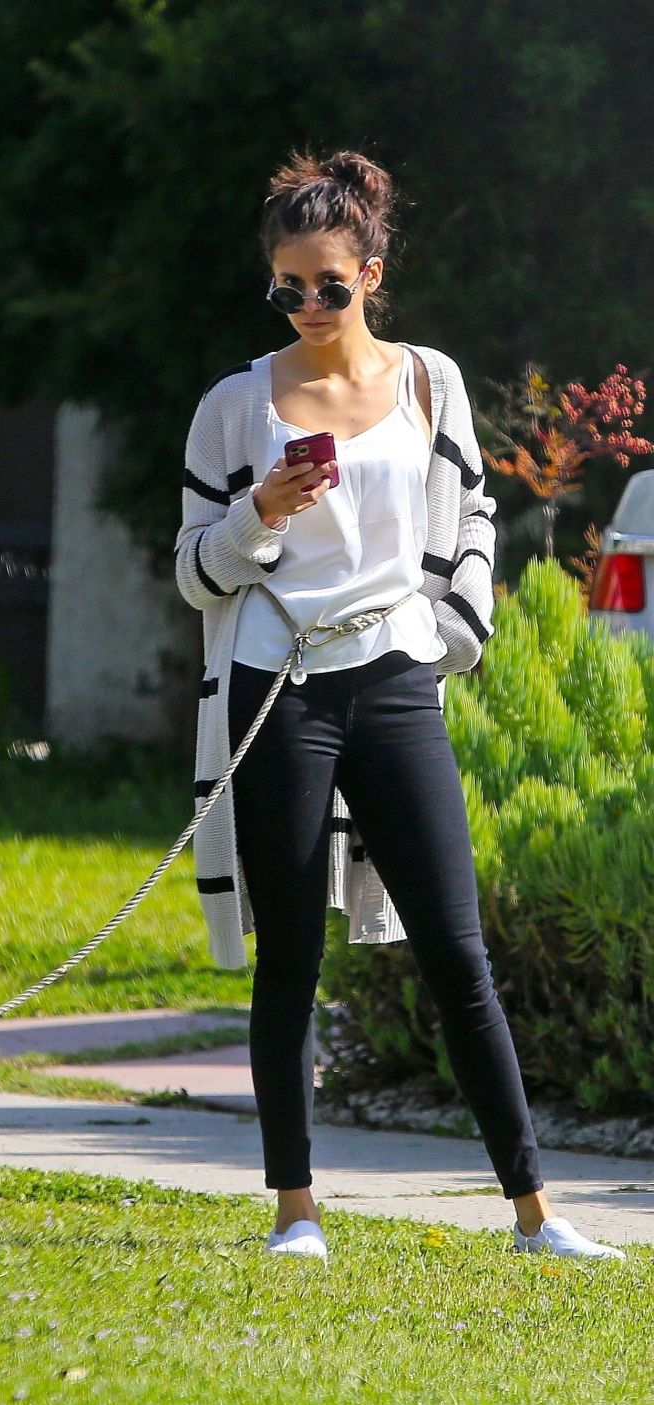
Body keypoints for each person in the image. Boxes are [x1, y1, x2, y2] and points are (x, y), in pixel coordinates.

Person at [175, 149, 624, 1263]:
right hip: (279, 688)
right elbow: (194, 570)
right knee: (291, 958)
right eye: (289, 288)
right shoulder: (238, 406)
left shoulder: (430, 381)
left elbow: (470, 519)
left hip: (394, 678)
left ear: (371, 272)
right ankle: (296, 1211)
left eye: (330, 284)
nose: (311, 307)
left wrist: (443, 640)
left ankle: (535, 1213)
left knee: (456, 949)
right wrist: (260, 517)